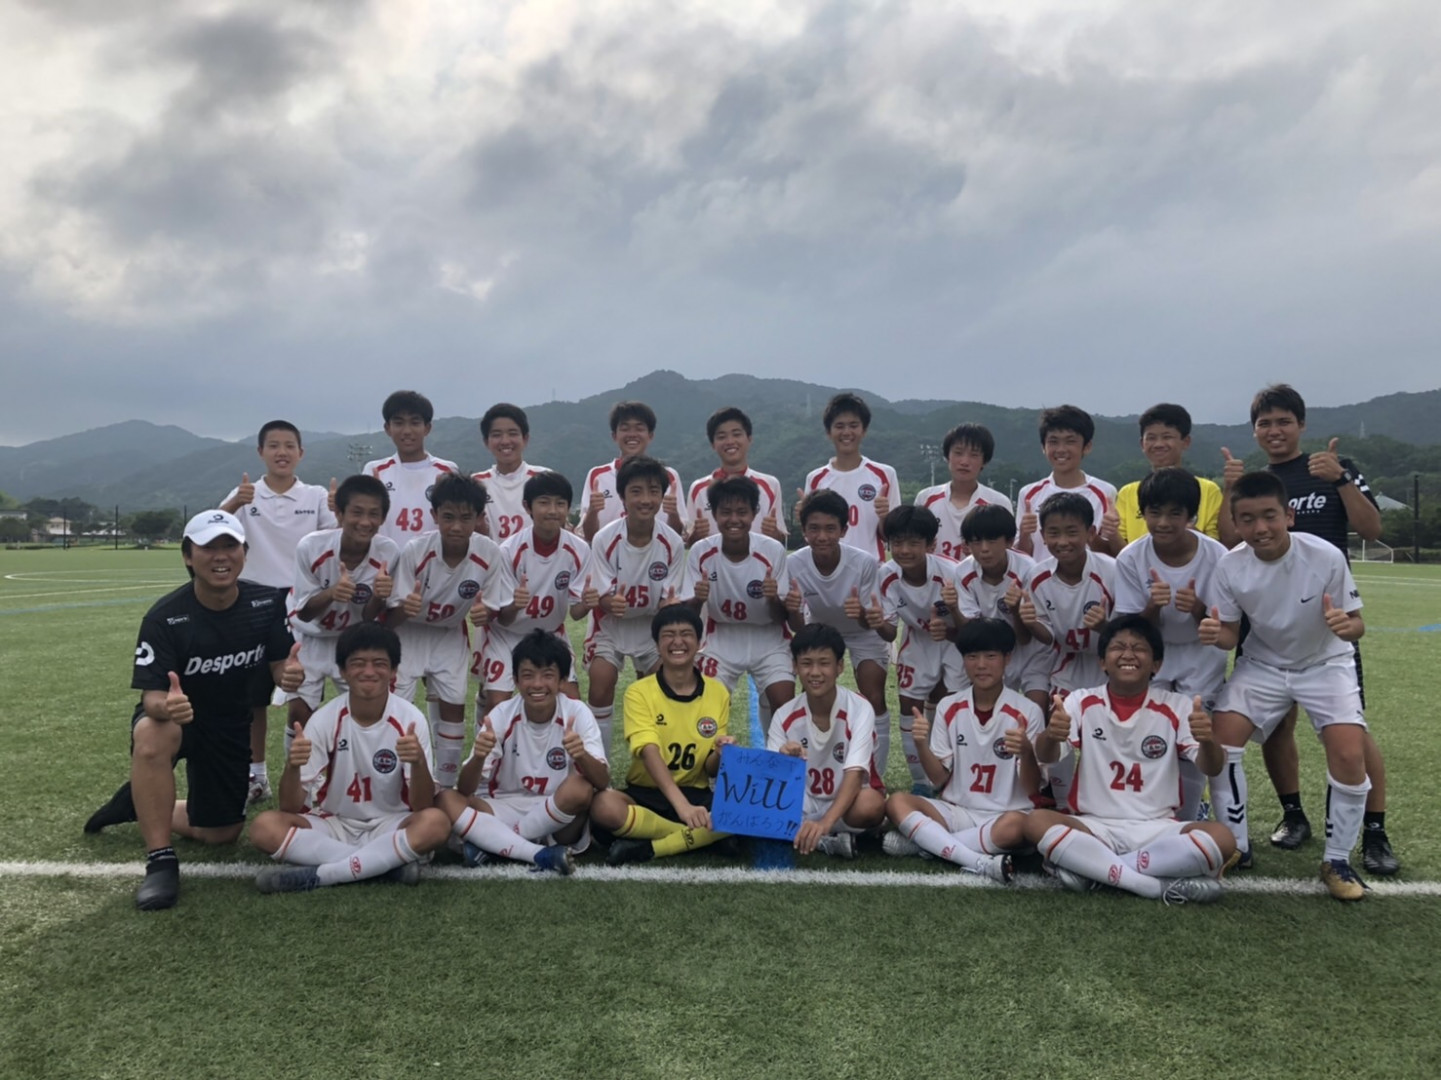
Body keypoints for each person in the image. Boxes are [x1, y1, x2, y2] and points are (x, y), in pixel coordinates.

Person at [83, 510, 305, 911]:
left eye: (229, 546)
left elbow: (278, 664)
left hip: (230, 725)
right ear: (188, 556)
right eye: (208, 547)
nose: (220, 556)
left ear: (244, 552)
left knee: (222, 833)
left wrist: (287, 674)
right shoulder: (165, 617)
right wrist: (168, 705)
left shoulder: (266, 602)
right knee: (153, 731)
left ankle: (138, 801)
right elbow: (151, 697)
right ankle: (160, 861)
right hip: (178, 721)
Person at [1232, 383, 1396, 874]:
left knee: (1351, 731)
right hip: (1266, 623)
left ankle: (1374, 831)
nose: (1274, 430)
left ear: (1301, 425)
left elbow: (1372, 530)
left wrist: (1341, 478)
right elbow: (1231, 544)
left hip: (1328, 621)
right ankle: (1293, 814)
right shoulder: (1256, 482)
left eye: (1284, 421)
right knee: (1275, 725)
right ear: (1254, 431)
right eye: (1264, 423)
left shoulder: (1331, 469)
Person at [1200, 471, 1375, 900]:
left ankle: (1337, 860)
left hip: (1324, 664)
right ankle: (1236, 845)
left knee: (1349, 752)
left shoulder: (1325, 556)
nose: (1260, 527)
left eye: (1269, 516)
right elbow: (1230, 635)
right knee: (1221, 741)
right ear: (1236, 523)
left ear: (1289, 516)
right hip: (1262, 664)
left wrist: (1345, 625)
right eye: (1247, 519)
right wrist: (1214, 633)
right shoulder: (1230, 565)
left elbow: (1357, 624)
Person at [1023, 614, 1233, 903]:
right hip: (1094, 826)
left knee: (1223, 838)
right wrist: (1051, 734)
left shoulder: (1178, 705)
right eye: (1118, 647)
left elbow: (1212, 766)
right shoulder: (1080, 700)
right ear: (1102, 662)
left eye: (1139, 648)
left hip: (1157, 828)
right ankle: (1152, 885)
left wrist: (1208, 740)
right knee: (1036, 822)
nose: (1128, 654)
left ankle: (1094, 870)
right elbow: (1046, 754)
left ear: (1156, 664)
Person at [250, 623, 451, 893]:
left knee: (435, 823)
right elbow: (290, 806)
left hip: (391, 823)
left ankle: (324, 874)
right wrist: (293, 767)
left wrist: (417, 763)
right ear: (343, 671)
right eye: (358, 663)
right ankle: (385, 866)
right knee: (264, 827)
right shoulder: (325, 719)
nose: (368, 672)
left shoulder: (410, 719)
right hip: (335, 823)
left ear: (394, 671)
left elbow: (422, 805)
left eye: (379, 664)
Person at [219, 419, 337, 805]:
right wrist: (236, 502)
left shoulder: (315, 496)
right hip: (253, 601)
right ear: (260, 452)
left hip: (302, 603)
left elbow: (333, 540)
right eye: (273, 445)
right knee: (253, 696)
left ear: (301, 453)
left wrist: (337, 510)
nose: (281, 452)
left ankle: (300, 774)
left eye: (289, 445)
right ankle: (257, 776)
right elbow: (214, 529)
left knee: (299, 691)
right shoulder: (246, 494)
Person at [883, 617, 1042, 881]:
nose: (981, 665)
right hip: (959, 812)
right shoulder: (949, 706)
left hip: (1006, 815)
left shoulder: (1028, 711)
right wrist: (921, 745)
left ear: (1007, 659)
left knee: (1017, 826)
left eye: (990, 656)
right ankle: (972, 857)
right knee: (897, 802)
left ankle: (929, 843)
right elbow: (939, 779)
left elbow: (1032, 788)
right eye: (972, 656)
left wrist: (1026, 753)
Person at [1112, 468, 1229, 824]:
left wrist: (1196, 608)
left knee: (1192, 739)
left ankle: (1188, 819)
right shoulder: (1131, 557)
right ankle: (1147, 815)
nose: (1163, 523)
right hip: (1154, 654)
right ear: (1143, 513)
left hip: (1201, 656)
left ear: (1191, 515)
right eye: (1154, 512)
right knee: (1150, 734)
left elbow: (1224, 627)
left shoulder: (1218, 556)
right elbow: (1129, 628)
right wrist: (1153, 606)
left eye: (1175, 513)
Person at [439, 630, 608, 874]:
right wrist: (477, 758)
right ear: (516, 681)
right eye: (528, 675)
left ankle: (497, 844)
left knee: (580, 788)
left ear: (562, 681)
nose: (537, 685)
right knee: (446, 799)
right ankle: (536, 853)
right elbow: (465, 789)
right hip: (503, 806)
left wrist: (581, 754)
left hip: (556, 809)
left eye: (547, 675)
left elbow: (602, 781)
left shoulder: (577, 712)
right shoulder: (502, 714)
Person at [387, 473, 515, 789]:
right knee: (395, 710)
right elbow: (390, 616)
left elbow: (494, 606)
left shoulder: (489, 553)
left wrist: (486, 613)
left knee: (453, 709)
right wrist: (406, 608)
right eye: (448, 517)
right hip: (408, 636)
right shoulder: (415, 551)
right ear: (434, 515)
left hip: (449, 635)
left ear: (479, 518)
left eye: (465, 518)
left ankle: (445, 786)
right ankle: (396, 784)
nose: (456, 526)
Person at [591, 605, 737, 865]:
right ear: (657, 645)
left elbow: (710, 770)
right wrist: (682, 807)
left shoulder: (718, 692)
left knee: (747, 808)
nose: (677, 642)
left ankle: (651, 847)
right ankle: (698, 836)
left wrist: (720, 753)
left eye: (686, 634)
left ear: (700, 642)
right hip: (648, 793)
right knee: (603, 806)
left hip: (697, 793)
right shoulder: (639, 692)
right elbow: (649, 752)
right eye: (669, 635)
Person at [681, 475, 804, 742]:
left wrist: (773, 599)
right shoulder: (701, 551)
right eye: (726, 512)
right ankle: (711, 764)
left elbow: (781, 618)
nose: (734, 519)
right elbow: (687, 616)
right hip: (721, 636)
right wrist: (697, 600)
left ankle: (776, 758)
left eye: (742, 512)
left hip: (768, 637)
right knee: (706, 704)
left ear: (754, 513)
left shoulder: (772, 550)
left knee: (783, 702)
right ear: (714, 514)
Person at [1016, 492, 1118, 809]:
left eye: (1072, 532)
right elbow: (1047, 636)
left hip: (1109, 664)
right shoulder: (1037, 576)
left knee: (1107, 729)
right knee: (1059, 725)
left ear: (1090, 532)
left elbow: (1131, 630)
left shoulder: (1112, 571)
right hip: (1067, 662)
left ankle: (1105, 797)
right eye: (1054, 533)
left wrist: (1105, 626)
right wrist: (1031, 622)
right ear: (1043, 536)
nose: (1063, 541)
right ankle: (1061, 802)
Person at [582, 456, 686, 749]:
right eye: (636, 491)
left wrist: (669, 606)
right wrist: (608, 602)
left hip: (651, 627)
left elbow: (671, 597)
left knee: (663, 688)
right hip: (609, 626)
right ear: (622, 496)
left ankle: (656, 762)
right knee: (601, 682)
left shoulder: (672, 542)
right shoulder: (605, 539)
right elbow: (600, 595)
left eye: (653, 491)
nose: (645, 499)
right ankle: (599, 761)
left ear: (662, 496)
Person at [787, 490, 893, 769]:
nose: (822, 536)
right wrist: (792, 610)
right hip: (819, 630)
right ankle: (814, 766)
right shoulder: (794, 563)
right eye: (814, 528)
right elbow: (797, 627)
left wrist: (862, 615)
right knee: (815, 695)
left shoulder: (864, 563)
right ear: (804, 530)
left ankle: (875, 775)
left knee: (874, 696)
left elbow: (872, 623)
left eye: (830, 528)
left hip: (861, 633)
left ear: (844, 530)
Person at [287, 475, 399, 732]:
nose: (365, 522)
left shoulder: (388, 552)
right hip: (310, 637)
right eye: (356, 512)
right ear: (339, 513)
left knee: (365, 710)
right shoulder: (311, 546)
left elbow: (369, 617)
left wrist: (379, 596)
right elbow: (304, 613)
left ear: (383, 518)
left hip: (353, 638)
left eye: (373, 514)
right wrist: (332, 593)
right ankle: (300, 760)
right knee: (299, 713)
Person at [479, 471, 593, 710]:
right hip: (507, 635)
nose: (552, 510)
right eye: (544, 503)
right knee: (498, 704)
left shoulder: (579, 549)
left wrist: (587, 602)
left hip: (550, 634)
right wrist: (515, 605)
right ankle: (486, 711)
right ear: (527, 506)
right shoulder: (509, 551)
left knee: (572, 702)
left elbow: (576, 613)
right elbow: (504, 619)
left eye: (560, 504)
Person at [770, 624, 886, 858]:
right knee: (763, 807)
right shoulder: (784, 714)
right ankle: (827, 840)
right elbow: (773, 778)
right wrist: (784, 757)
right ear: (795, 667)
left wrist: (824, 823)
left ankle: (812, 832)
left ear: (839, 666)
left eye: (824, 663)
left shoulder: (859, 708)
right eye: (806, 663)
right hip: (805, 801)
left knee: (871, 805)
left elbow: (855, 774)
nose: (815, 672)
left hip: (849, 799)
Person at [939, 504, 1049, 713]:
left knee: (1037, 708)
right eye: (976, 541)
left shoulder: (1029, 570)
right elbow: (970, 631)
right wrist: (953, 608)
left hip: (1030, 652)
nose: (984, 549)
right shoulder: (963, 572)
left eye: (991, 540)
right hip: (990, 651)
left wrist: (1015, 611)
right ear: (967, 544)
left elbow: (1025, 638)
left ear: (1009, 541)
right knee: (988, 710)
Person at [878, 505, 957, 791]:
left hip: (956, 641)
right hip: (917, 640)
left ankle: (950, 775)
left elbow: (974, 623)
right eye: (897, 542)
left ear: (930, 544)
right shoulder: (886, 575)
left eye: (913, 543)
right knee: (909, 705)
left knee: (952, 705)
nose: (904, 550)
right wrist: (874, 621)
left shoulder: (953, 572)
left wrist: (950, 627)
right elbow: (889, 631)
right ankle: (920, 781)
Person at [802, 392, 900, 562]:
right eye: (839, 426)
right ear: (829, 432)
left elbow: (892, 536)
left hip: (871, 568)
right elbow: (812, 535)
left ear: (864, 430)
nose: (846, 432)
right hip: (828, 569)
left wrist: (884, 517)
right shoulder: (815, 478)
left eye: (853, 425)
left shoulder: (885, 474)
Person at [1016, 405, 1119, 558]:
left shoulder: (1105, 492)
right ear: (1043, 447)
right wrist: (1025, 534)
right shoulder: (1028, 494)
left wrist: (1101, 534)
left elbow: (1109, 556)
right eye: (1053, 442)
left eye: (1070, 441)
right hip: (1041, 573)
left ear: (1087, 446)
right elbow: (1021, 557)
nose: (1061, 449)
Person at [1113, 404, 1224, 545]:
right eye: (1151, 438)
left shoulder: (1208, 490)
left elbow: (1215, 545)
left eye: (1167, 437)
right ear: (1142, 444)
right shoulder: (1127, 493)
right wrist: (1111, 533)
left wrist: (1187, 531)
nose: (1158, 444)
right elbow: (1122, 551)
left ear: (1186, 442)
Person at [363, 390, 458, 548]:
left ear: (427, 428)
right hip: (385, 560)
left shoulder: (447, 471)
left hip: (431, 560)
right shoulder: (374, 471)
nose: (407, 431)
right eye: (399, 423)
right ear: (387, 428)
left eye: (415, 423)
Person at [580, 401, 687, 541]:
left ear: (650, 435)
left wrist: (673, 513)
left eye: (639, 428)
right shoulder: (597, 476)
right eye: (625, 429)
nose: (632, 434)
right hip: (607, 553)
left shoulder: (669, 476)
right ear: (614, 435)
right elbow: (588, 536)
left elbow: (677, 535)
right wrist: (593, 511)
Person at [685, 406, 786, 545]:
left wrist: (774, 533)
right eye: (722, 437)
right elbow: (689, 540)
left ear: (749, 439)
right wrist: (696, 535)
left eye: (736, 434)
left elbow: (780, 537)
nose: (730, 441)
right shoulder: (698, 489)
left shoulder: (770, 485)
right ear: (713, 444)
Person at [913, 423, 1012, 561]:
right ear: (947, 456)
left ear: (984, 461)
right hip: (935, 574)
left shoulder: (998, 503)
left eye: (974, 455)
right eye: (958, 453)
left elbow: (1007, 552)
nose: (965, 462)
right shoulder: (925, 498)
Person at [471, 403, 552, 541]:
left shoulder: (545, 478)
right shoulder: (475, 484)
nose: (505, 441)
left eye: (513, 434)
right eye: (497, 435)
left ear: (525, 439)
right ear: (486, 441)